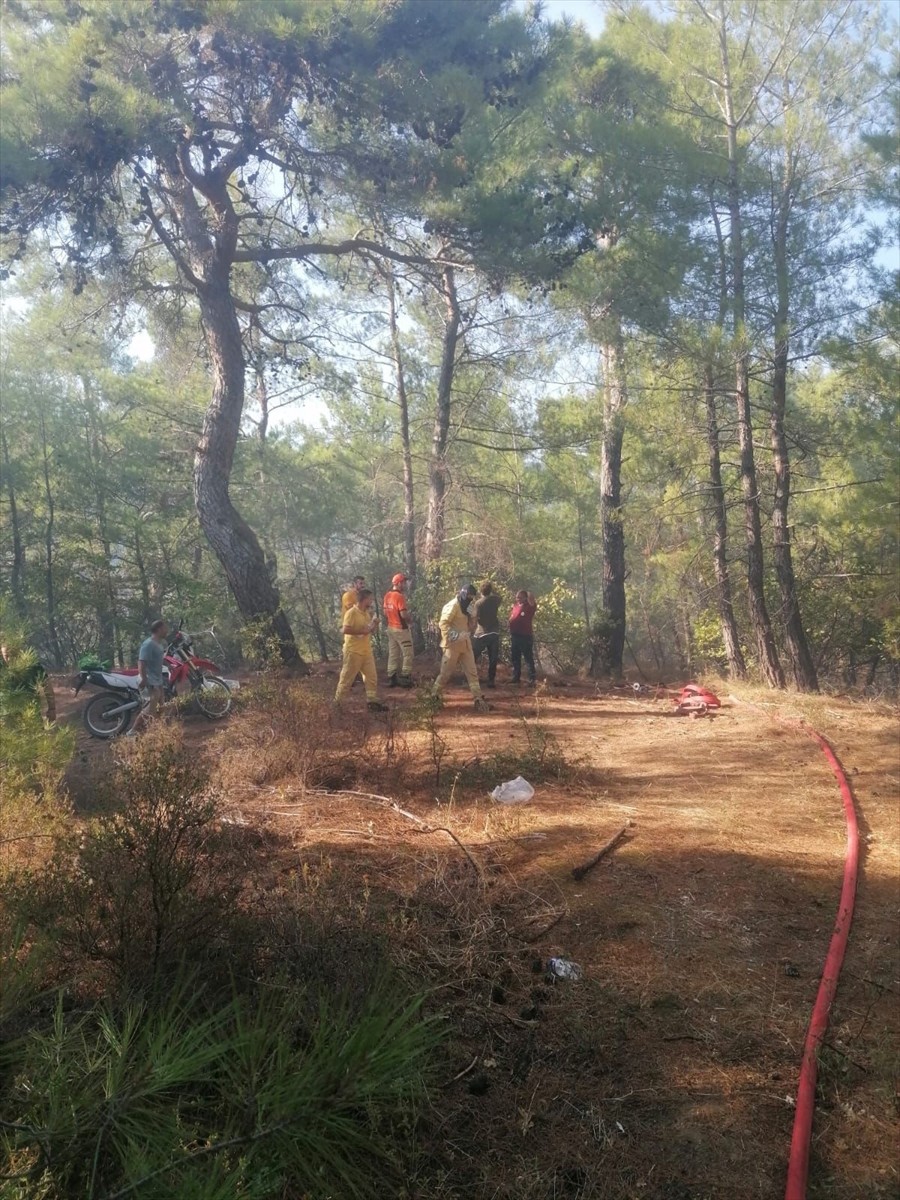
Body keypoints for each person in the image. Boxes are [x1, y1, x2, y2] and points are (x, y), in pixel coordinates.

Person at [435, 584, 490, 711]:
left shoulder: (468, 606)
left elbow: (471, 624)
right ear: (463, 594)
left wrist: (474, 617)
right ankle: (433, 696)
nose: (470, 599)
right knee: (445, 673)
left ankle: (478, 699)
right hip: (452, 645)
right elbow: (443, 624)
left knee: (472, 672)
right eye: (469, 596)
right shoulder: (452, 606)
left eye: (472, 597)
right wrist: (455, 635)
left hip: (465, 644)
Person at [334, 589, 387, 711]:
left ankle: (372, 702)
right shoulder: (351, 613)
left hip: (366, 651)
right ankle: (337, 704)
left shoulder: (366, 614)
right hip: (353, 652)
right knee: (346, 679)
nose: (371, 601)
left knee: (371, 677)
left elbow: (368, 630)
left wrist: (374, 624)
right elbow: (345, 630)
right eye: (370, 599)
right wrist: (362, 631)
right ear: (364, 599)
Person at [128, 618, 168, 735]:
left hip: (158, 680)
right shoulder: (148, 644)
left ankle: (155, 732)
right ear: (159, 629)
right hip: (149, 681)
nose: (167, 630)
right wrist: (144, 679)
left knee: (161, 707)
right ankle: (132, 732)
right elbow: (141, 662)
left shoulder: (159, 644)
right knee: (149, 709)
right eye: (165, 628)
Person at [0, 641, 56, 723]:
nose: (10, 659)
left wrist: (52, 708)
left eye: (13, 655)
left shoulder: (32, 665)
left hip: (31, 713)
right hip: (7, 717)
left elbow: (47, 685)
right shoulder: (2, 667)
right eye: (6, 656)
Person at [383, 573, 414, 688]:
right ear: (399, 583)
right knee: (408, 653)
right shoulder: (399, 596)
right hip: (401, 629)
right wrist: (410, 620)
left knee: (393, 653)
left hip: (391, 628)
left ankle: (392, 677)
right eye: (404, 582)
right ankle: (405, 677)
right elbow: (403, 614)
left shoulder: (387, 595)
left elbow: (385, 612)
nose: (405, 584)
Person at [472, 581, 501, 688]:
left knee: (473, 656)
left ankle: (471, 678)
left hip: (482, 633)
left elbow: (475, 617)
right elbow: (499, 597)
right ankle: (491, 680)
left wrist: (471, 629)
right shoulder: (496, 599)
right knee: (493, 658)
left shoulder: (478, 603)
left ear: (480, 591)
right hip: (494, 632)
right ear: (490, 590)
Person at [508, 590, 537, 686]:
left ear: (525, 598)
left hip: (525, 636)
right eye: (517, 597)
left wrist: (527, 593)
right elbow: (512, 616)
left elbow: (532, 599)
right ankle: (516, 677)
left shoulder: (529, 606)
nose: (518, 599)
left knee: (528, 658)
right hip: (515, 635)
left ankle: (532, 680)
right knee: (515, 657)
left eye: (520, 597)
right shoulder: (515, 606)